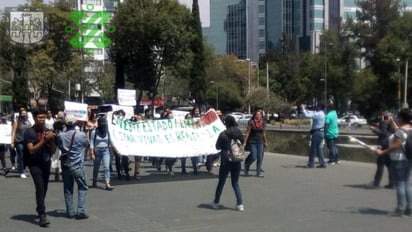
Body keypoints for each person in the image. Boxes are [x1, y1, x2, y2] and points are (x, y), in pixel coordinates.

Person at [23, 108, 56, 227]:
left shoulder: (47, 131)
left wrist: (51, 141)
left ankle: (39, 206)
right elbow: (31, 150)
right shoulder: (29, 132)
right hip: (34, 163)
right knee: (40, 186)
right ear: (35, 118)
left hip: (45, 162)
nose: (42, 120)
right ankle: (42, 214)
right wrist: (44, 141)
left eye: (43, 118)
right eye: (39, 118)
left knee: (45, 187)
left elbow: (52, 151)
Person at [375, 109, 412, 217]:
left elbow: (395, 146)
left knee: (400, 184)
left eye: (397, 117)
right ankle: (409, 208)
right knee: (407, 184)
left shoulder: (400, 132)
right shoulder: (409, 129)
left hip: (399, 160)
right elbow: (401, 132)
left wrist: (382, 152)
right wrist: (392, 122)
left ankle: (400, 209)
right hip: (409, 158)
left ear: (401, 118)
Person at [56, 114, 89, 220]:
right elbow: (86, 144)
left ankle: (70, 212)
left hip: (65, 165)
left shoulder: (60, 135)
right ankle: (81, 211)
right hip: (77, 165)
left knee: (68, 189)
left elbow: (60, 146)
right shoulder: (81, 134)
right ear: (75, 123)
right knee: (83, 187)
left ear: (65, 123)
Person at [209, 115, 244, 211]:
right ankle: (240, 204)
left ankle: (216, 202)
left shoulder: (224, 134)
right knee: (235, 182)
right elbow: (242, 142)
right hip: (237, 159)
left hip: (226, 159)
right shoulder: (239, 132)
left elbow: (217, 146)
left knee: (221, 182)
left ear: (226, 123)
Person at [369, 107, 394, 188]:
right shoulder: (391, 117)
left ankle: (376, 182)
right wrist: (378, 125)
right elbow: (388, 130)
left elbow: (383, 133)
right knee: (389, 164)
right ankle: (392, 183)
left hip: (383, 144)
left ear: (381, 110)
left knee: (380, 163)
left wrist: (374, 129)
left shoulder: (384, 117)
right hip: (390, 142)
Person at [90, 117, 115, 190]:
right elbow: (91, 142)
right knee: (96, 168)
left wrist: (116, 149)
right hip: (97, 151)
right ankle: (94, 180)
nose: (103, 125)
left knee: (107, 167)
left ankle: (107, 183)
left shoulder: (107, 132)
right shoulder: (94, 132)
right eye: (102, 123)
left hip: (106, 151)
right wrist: (92, 153)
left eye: (105, 123)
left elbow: (110, 141)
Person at [300, 103, 326, 168]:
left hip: (317, 132)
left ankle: (311, 164)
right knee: (319, 149)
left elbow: (307, 115)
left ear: (320, 107)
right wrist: (305, 109)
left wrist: (303, 109)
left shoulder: (319, 114)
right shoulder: (321, 113)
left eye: (317, 106)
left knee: (313, 149)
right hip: (320, 132)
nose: (316, 107)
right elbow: (311, 112)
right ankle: (322, 163)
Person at [243, 109, 267, 177]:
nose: (258, 116)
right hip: (252, 142)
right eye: (257, 114)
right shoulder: (251, 122)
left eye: (259, 114)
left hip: (260, 142)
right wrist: (244, 142)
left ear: (261, 115)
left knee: (259, 157)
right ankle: (247, 164)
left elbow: (264, 133)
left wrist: (265, 141)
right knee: (253, 156)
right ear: (254, 115)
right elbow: (247, 133)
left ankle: (258, 172)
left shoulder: (263, 122)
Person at [11, 107, 32, 178]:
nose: (24, 114)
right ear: (20, 114)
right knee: (21, 155)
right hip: (19, 141)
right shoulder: (17, 122)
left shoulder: (28, 121)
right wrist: (12, 142)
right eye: (23, 113)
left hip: (27, 141)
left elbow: (31, 130)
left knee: (27, 156)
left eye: (25, 113)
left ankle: (23, 168)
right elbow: (13, 132)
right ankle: (21, 171)